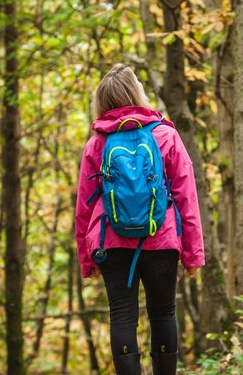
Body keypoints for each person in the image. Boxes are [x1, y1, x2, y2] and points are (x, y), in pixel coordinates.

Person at [75, 64, 205, 375]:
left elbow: (84, 205)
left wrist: (86, 259)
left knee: (121, 316)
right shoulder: (165, 135)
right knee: (163, 313)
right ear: (137, 94)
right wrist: (192, 254)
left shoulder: (97, 143)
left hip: (112, 241)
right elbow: (187, 196)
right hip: (161, 238)